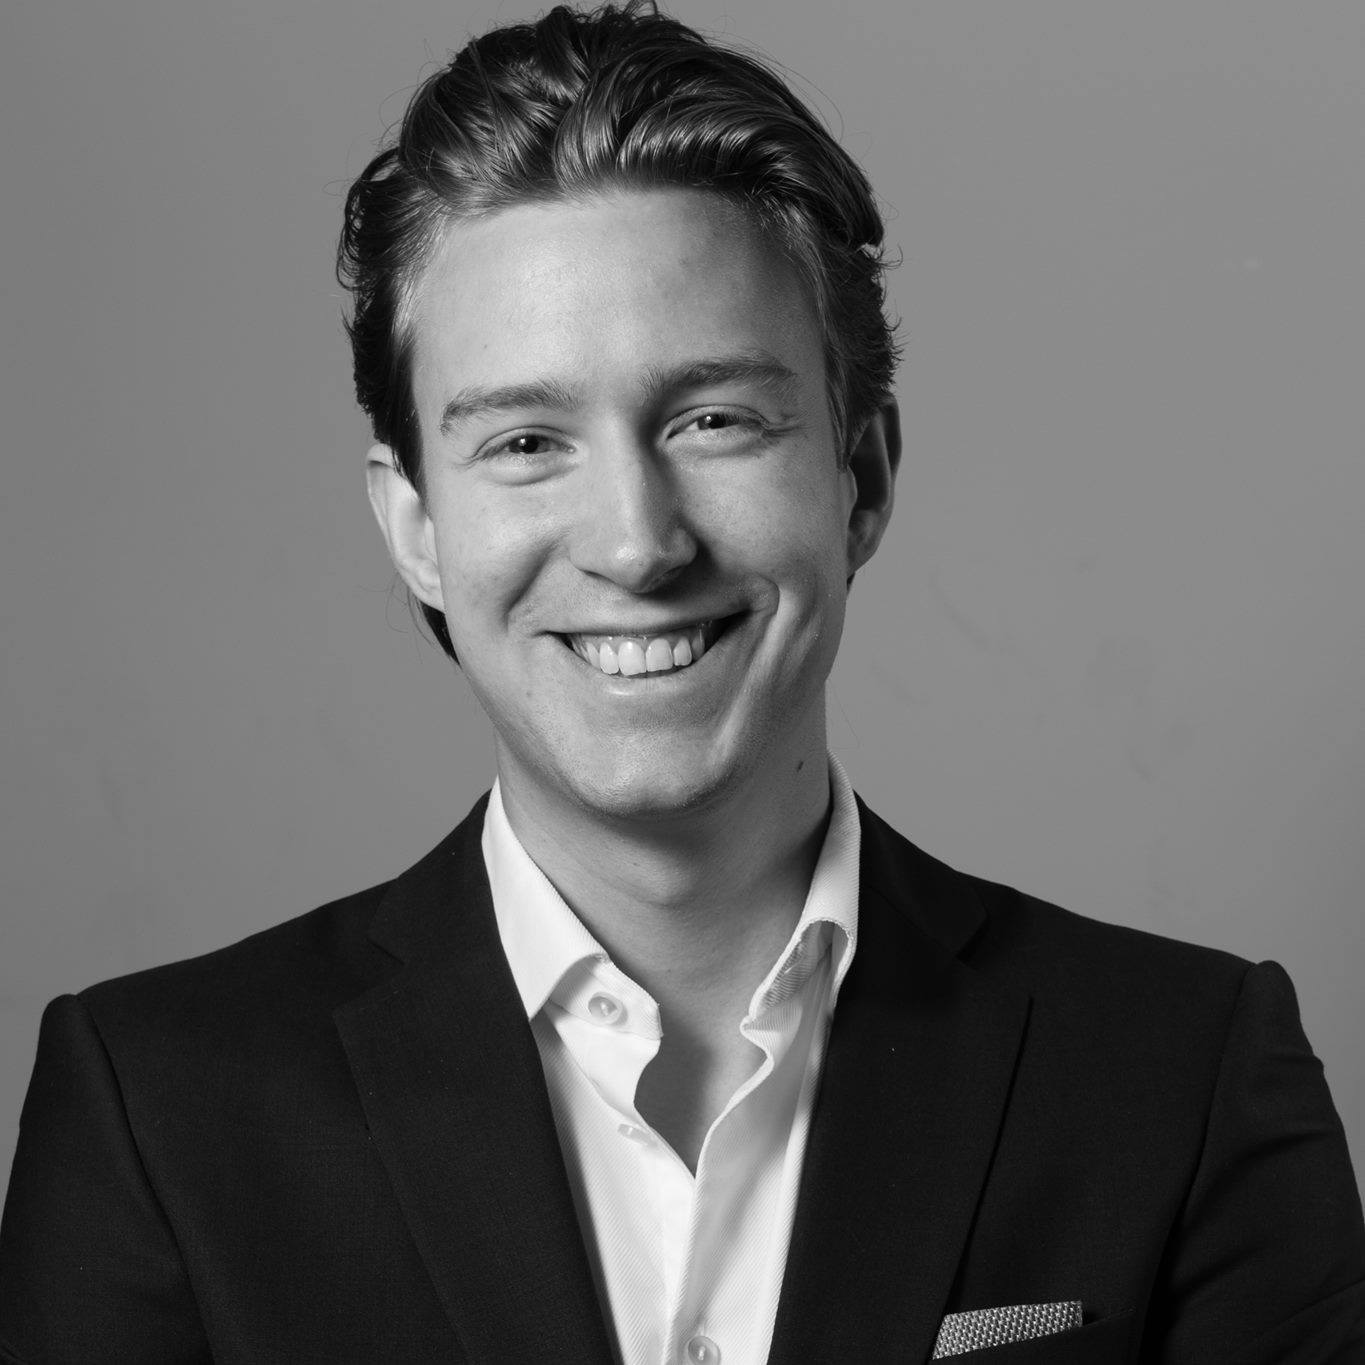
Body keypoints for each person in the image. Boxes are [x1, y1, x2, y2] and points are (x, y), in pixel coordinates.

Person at [2, 3, 1362, 1360]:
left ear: (860, 475)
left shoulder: (1185, 1077)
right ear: (416, 529)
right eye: (526, 442)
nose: (637, 543)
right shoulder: (155, 1114)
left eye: (714, 420)